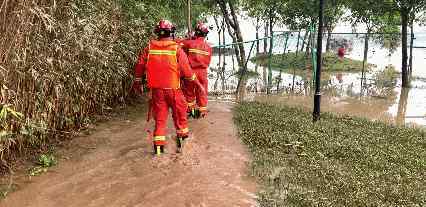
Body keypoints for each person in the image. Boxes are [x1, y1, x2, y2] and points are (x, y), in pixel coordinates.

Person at [132, 20, 205, 155]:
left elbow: (139, 66)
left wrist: (137, 82)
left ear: (157, 33)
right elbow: (188, 73)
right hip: (174, 91)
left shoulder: (149, 48)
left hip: (157, 92)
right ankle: (182, 150)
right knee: (181, 119)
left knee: (160, 122)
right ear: (171, 33)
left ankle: (158, 154)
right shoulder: (176, 49)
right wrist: (199, 85)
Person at [181, 22, 212, 118]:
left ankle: (193, 113)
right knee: (202, 92)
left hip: (191, 72)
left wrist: (189, 38)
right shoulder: (209, 47)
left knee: (189, 93)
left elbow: (178, 43)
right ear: (205, 34)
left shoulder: (190, 43)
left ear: (196, 32)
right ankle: (202, 114)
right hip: (203, 72)